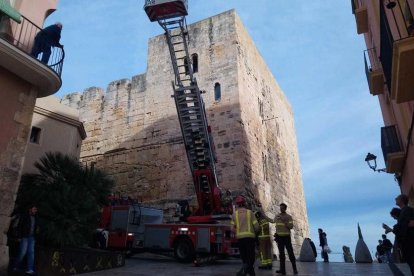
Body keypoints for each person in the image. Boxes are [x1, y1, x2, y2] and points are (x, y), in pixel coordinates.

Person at [232, 195, 258, 276]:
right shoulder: (250, 213)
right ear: (244, 203)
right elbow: (257, 227)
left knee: (245, 259)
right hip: (250, 239)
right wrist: (254, 233)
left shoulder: (234, 214)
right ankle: (248, 273)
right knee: (251, 259)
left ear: (237, 204)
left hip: (240, 239)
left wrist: (238, 233)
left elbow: (232, 228)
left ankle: (245, 272)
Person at [273, 203, 298, 275]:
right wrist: (263, 215)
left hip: (286, 237)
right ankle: (282, 270)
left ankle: (294, 269)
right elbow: (272, 221)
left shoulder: (289, 217)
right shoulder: (277, 216)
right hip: (279, 237)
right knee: (281, 254)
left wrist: (284, 220)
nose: (281, 209)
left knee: (290, 253)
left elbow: (291, 226)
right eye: (280, 208)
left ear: (285, 208)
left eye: (282, 208)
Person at [13, 204, 38, 275]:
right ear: (30, 209)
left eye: (36, 209)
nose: (35, 211)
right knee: (22, 252)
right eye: (34, 209)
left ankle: (30, 269)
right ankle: (16, 266)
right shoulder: (24, 216)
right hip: (24, 236)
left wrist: (36, 235)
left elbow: (35, 227)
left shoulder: (35, 218)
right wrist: (19, 237)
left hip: (32, 237)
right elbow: (20, 226)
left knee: (31, 253)